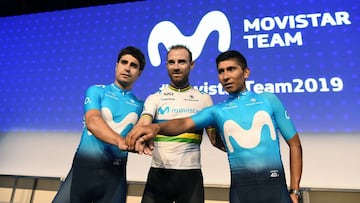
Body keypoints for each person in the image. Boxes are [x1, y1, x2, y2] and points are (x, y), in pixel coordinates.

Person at [127, 50, 303, 203]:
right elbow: (183, 123)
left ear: (246, 72)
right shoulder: (217, 111)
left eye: (231, 69)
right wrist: (156, 128)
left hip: (276, 190)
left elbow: (295, 145)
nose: (226, 76)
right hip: (240, 192)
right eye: (221, 72)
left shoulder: (268, 100)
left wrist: (295, 190)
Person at [52, 46, 146, 203]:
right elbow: (93, 122)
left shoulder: (140, 105)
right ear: (116, 66)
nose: (127, 68)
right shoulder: (96, 91)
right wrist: (121, 141)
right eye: (124, 62)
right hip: (83, 170)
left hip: (115, 177)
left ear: (139, 73)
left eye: (133, 65)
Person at [134, 44, 225, 203]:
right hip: (158, 174)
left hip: (191, 176)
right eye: (171, 62)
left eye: (181, 62)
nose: (176, 67)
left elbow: (214, 139)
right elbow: (144, 123)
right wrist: (139, 132)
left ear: (192, 64)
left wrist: (242, 149)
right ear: (166, 65)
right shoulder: (155, 98)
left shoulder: (204, 99)